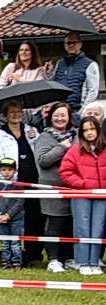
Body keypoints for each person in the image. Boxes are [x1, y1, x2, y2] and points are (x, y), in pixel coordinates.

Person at [0, 101, 44, 266]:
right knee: (12, 219)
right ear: (5, 115)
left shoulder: (31, 130)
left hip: (32, 182)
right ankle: (10, 256)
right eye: (12, 112)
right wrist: (7, 179)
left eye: (18, 111)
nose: (16, 114)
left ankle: (33, 254)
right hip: (12, 184)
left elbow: (39, 153)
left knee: (34, 218)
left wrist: (36, 138)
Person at [34, 103, 78, 273]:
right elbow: (43, 160)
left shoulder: (76, 135)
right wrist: (62, 148)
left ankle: (69, 258)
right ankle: (53, 259)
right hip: (52, 188)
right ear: (50, 117)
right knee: (54, 224)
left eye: (63, 115)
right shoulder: (45, 137)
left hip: (73, 187)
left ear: (69, 117)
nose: (60, 119)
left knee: (70, 224)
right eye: (56, 115)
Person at [62, 115, 106, 275]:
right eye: (85, 130)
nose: (89, 133)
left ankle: (94, 262)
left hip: (102, 196)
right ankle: (82, 263)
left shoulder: (105, 149)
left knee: (98, 229)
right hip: (81, 195)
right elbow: (65, 172)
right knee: (82, 227)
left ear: (98, 130)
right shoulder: (75, 150)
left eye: (92, 129)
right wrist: (82, 184)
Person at [50, 31, 99, 111]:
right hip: (60, 110)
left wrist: (83, 110)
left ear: (80, 44)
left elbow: (93, 91)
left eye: (74, 42)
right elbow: (52, 84)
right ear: (64, 45)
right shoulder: (60, 63)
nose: (71, 45)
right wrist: (48, 73)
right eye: (68, 43)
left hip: (77, 110)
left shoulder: (90, 64)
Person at [0, 157, 26, 268]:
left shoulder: (18, 185)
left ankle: (16, 261)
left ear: (15, 171)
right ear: (0, 171)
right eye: (4, 169)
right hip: (1, 219)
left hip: (16, 219)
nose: (7, 172)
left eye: (10, 170)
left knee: (15, 242)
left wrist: (9, 215)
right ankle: (6, 261)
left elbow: (19, 202)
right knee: (5, 242)